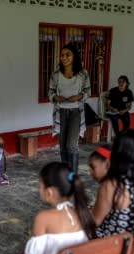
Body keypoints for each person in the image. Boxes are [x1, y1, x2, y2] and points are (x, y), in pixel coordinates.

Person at [12, 162, 93, 254]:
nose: (39, 189)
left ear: (49, 192)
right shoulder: (85, 213)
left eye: (40, 186)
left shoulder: (43, 217)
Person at [49, 43, 90, 172]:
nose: (64, 58)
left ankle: (73, 175)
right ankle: (65, 172)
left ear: (74, 57)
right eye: (62, 55)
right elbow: (50, 93)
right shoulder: (56, 74)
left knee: (71, 145)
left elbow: (88, 92)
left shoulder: (82, 74)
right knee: (62, 146)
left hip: (76, 112)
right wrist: (56, 97)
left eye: (68, 55)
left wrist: (78, 97)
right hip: (60, 112)